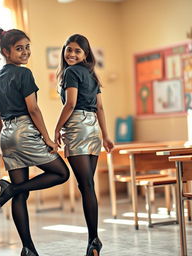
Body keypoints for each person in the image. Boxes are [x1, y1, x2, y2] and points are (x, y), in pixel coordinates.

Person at [0, 28, 70, 256]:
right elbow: (33, 109)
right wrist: (48, 139)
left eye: (27, 47)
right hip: (25, 130)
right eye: (19, 48)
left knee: (20, 196)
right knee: (61, 173)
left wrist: (6, 142)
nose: (25, 52)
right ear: (6, 51)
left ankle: (28, 248)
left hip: (7, 135)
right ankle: (10, 189)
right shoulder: (24, 74)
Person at [54, 34, 114, 256]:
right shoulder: (91, 74)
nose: (71, 54)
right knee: (89, 185)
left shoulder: (70, 73)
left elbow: (70, 104)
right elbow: (99, 108)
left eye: (77, 51)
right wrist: (106, 136)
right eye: (69, 49)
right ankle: (93, 240)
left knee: (86, 186)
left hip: (78, 127)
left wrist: (57, 128)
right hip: (93, 130)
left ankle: (94, 240)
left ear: (86, 54)